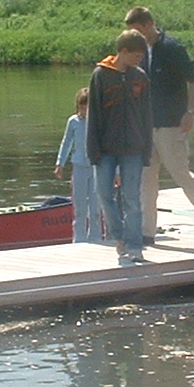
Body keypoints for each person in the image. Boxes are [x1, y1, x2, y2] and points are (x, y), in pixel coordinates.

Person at [122, 6, 194, 244]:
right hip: (145, 126)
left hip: (171, 125)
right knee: (145, 179)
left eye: (139, 31)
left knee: (181, 174)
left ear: (149, 24)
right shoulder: (138, 53)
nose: (137, 37)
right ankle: (146, 231)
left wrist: (190, 112)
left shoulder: (172, 48)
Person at [87, 29, 152, 265]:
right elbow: (93, 114)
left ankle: (135, 246)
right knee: (104, 194)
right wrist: (92, 150)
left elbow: (147, 115)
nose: (139, 60)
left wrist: (147, 149)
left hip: (134, 147)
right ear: (123, 52)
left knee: (132, 198)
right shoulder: (100, 75)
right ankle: (119, 237)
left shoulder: (140, 77)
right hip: (105, 148)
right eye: (136, 56)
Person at [55, 88, 103, 244]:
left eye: (87, 108)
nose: (84, 112)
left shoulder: (100, 122)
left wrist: (115, 170)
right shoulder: (73, 122)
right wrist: (60, 164)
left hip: (96, 167)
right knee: (80, 206)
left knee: (96, 206)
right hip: (79, 167)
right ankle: (79, 239)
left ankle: (96, 237)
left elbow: (108, 147)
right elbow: (66, 143)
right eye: (82, 108)